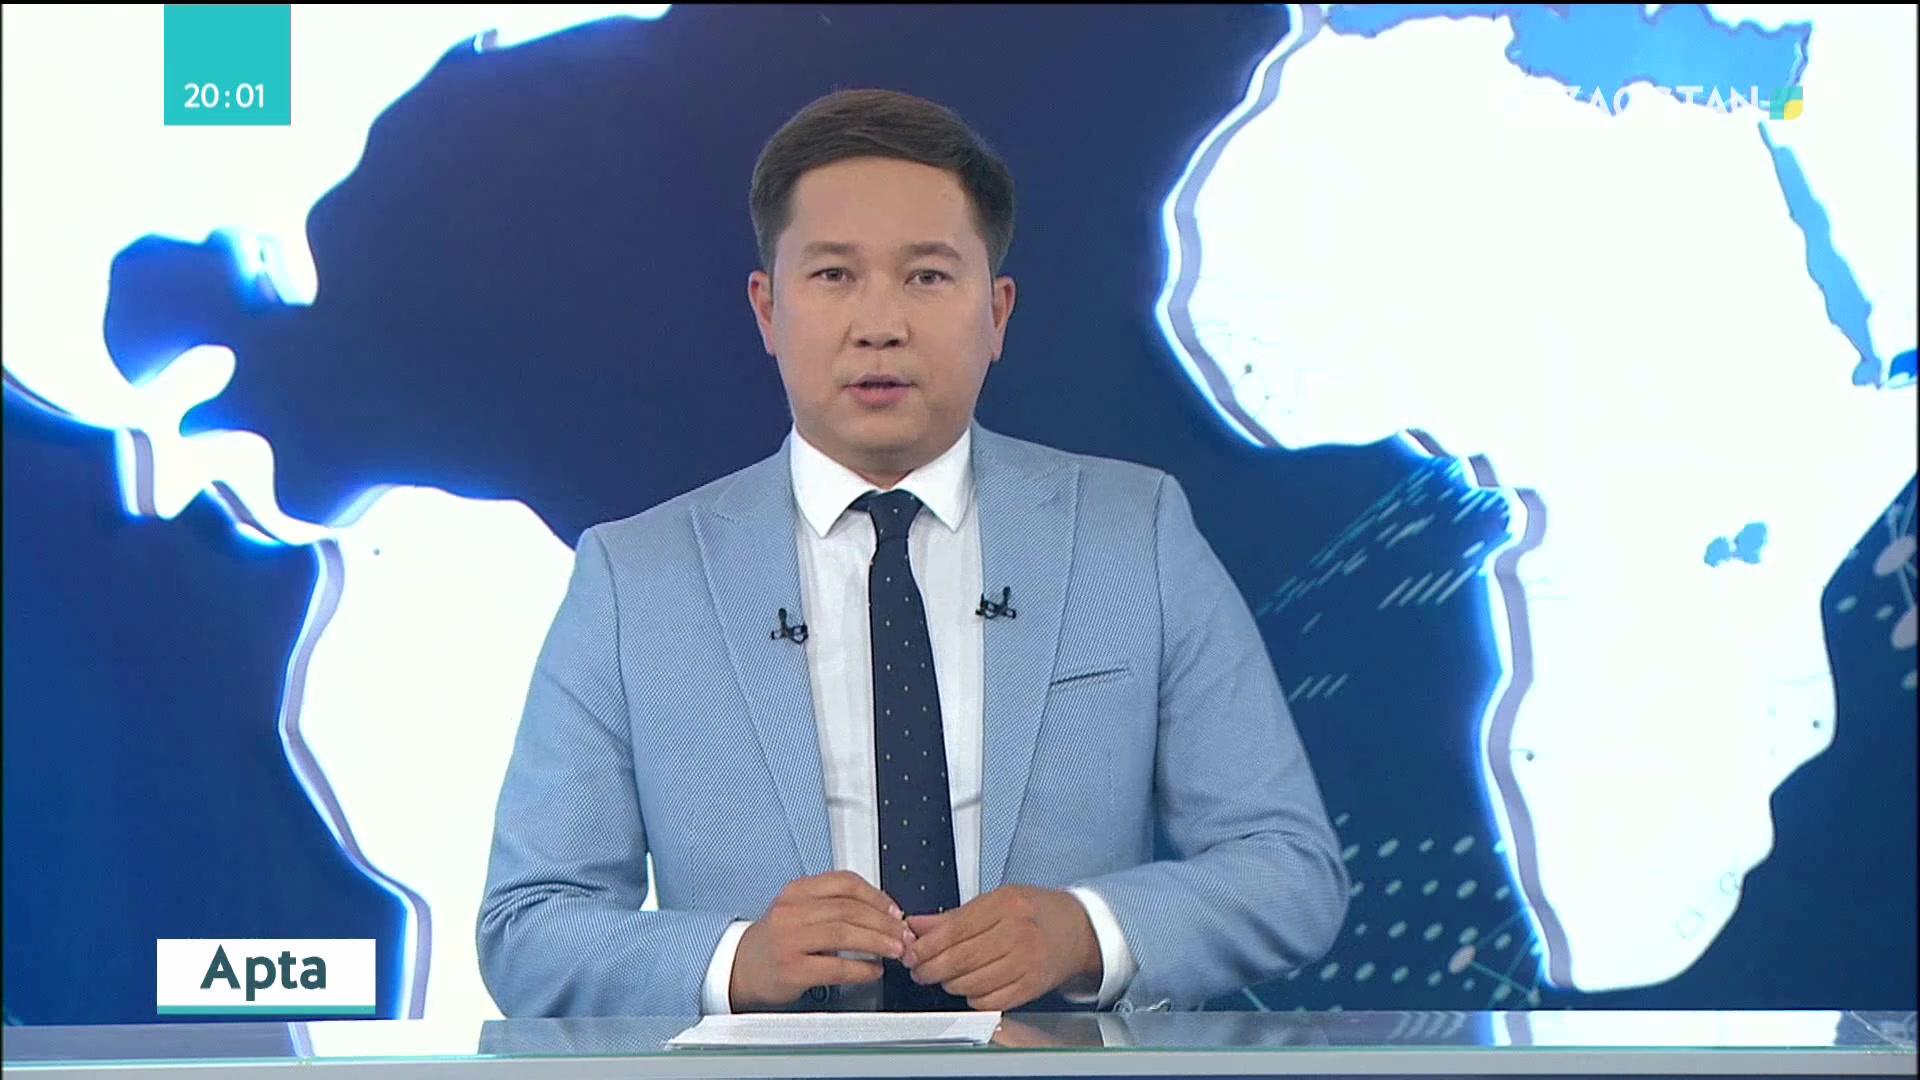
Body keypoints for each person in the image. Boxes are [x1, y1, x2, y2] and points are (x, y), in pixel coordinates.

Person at [476, 87, 1350, 1018]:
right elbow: (528, 926)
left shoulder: (1133, 536)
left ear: (997, 312)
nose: (880, 324)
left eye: (928, 277)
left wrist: (1086, 931)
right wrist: (735, 960)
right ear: (767, 309)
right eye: (833, 275)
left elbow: (1290, 870)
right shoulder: (636, 580)